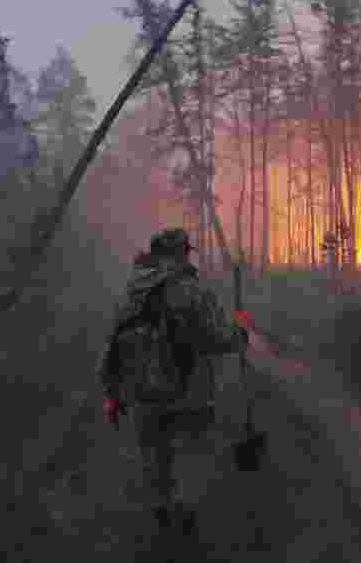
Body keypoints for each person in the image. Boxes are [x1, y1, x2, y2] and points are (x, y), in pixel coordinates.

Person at [97, 227, 251, 533]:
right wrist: (240, 333)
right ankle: (181, 530)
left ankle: (163, 518)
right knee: (189, 459)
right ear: (181, 254)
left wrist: (113, 394)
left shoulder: (132, 291)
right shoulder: (191, 289)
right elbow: (215, 337)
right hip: (189, 394)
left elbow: (113, 345)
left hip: (144, 397)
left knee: (156, 461)